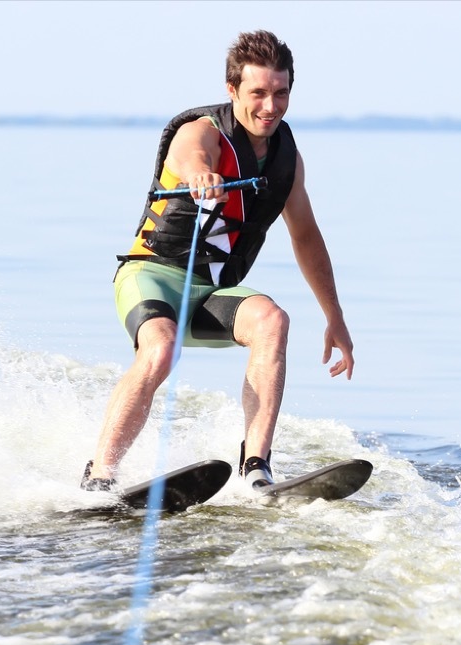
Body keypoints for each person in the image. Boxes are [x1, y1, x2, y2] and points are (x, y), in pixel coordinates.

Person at [81, 29, 355, 492]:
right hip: (151, 276)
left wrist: (335, 316)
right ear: (233, 90)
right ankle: (100, 476)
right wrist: (199, 175)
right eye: (259, 93)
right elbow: (190, 156)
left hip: (212, 293)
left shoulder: (287, 158)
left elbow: (306, 237)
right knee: (161, 349)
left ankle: (257, 469)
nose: (271, 106)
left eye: (281, 93)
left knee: (272, 319)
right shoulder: (201, 132)